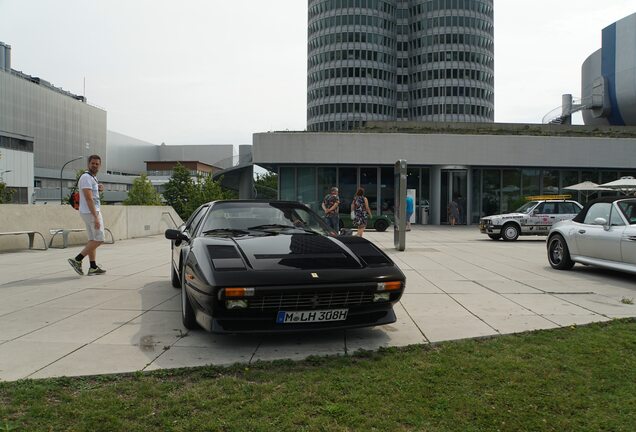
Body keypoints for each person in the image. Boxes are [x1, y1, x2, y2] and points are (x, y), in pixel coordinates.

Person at [67, 155, 107, 276]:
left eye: (97, 164)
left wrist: (98, 189)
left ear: (99, 165)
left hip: (89, 211)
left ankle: (93, 267)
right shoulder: (85, 177)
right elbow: (89, 199)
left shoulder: (92, 178)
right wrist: (95, 217)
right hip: (91, 212)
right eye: (92, 163)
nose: (94, 165)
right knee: (100, 239)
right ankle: (77, 259)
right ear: (88, 164)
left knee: (92, 239)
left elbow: (92, 194)